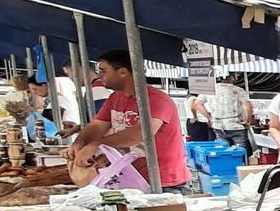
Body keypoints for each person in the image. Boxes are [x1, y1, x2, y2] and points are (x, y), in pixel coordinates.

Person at [61, 49, 191, 193]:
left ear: (123, 72)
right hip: (131, 179)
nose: (99, 75)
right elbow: (97, 126)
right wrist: (80, 143)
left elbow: (142, 133)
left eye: (103, 71)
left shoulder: (156, 99)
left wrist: (96, 144)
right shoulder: (115, 98)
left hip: (163, 183)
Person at [193, 74, 253, 155]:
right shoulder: (238, 90)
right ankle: (241, 166)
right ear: (231, 77)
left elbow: (197, 104)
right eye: (235, 75)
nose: (237, 77)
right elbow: (248, 107)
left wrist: (209, 117)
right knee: (241, 153)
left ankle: (227, 166)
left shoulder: (210, 89)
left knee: (223, 153)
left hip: (218, 126)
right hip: (236, 126)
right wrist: (247, 120)